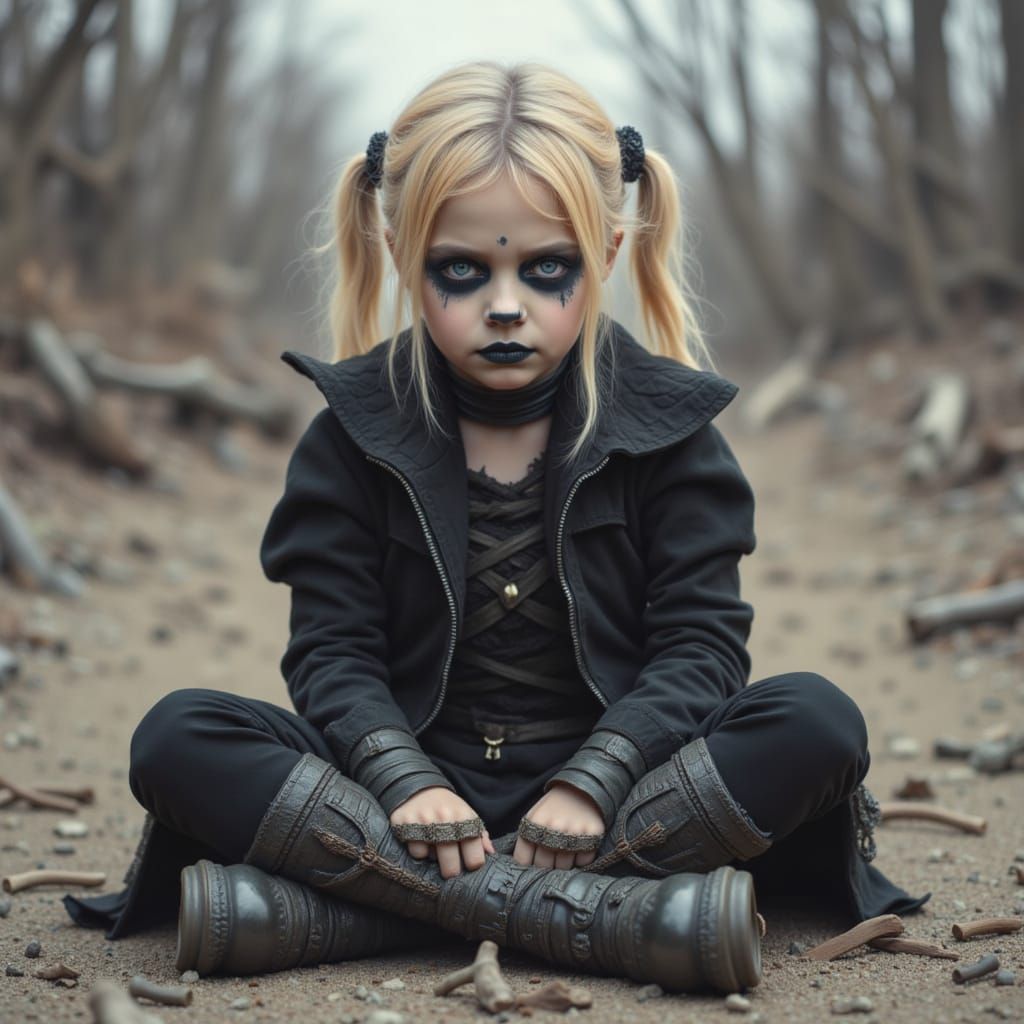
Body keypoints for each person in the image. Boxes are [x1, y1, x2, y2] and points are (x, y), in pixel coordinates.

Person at [64, 60, 928, 980]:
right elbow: (332, 655)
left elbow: (701, 653)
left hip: (627, 800)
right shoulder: (349, 436)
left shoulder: (672, 433)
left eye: (544, 268)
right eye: (463, 271)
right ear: (402, 253)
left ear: (604, 252)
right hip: (395, 801)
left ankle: (361, 912)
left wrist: (595, 781)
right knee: (177, 737)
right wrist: (405, 780)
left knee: (820, 722)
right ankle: (621, 920)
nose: (506, 304)